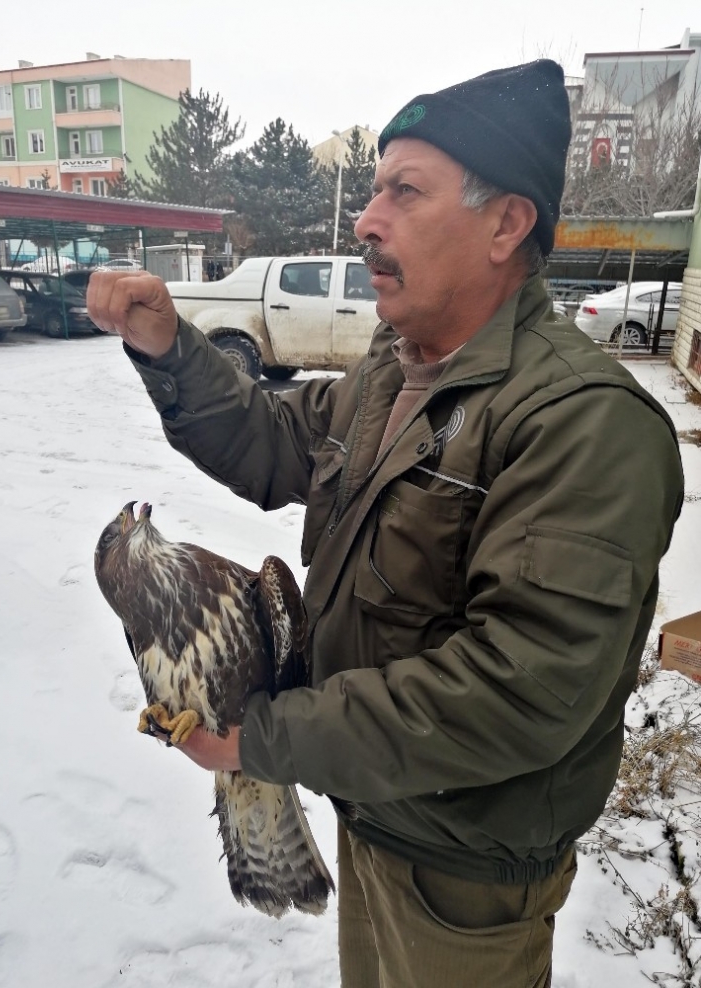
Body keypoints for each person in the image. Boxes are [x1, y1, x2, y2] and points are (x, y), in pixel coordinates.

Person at [87, 59, 684, 988]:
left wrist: (261, 741)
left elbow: (515, 693)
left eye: (404, 192)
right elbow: (273, 440)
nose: (367, 221)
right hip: (374, 807)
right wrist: (169, 346)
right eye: (373, 191)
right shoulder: (392, 375)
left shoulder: (582, 423)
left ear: (507, 223)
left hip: (463, 872)